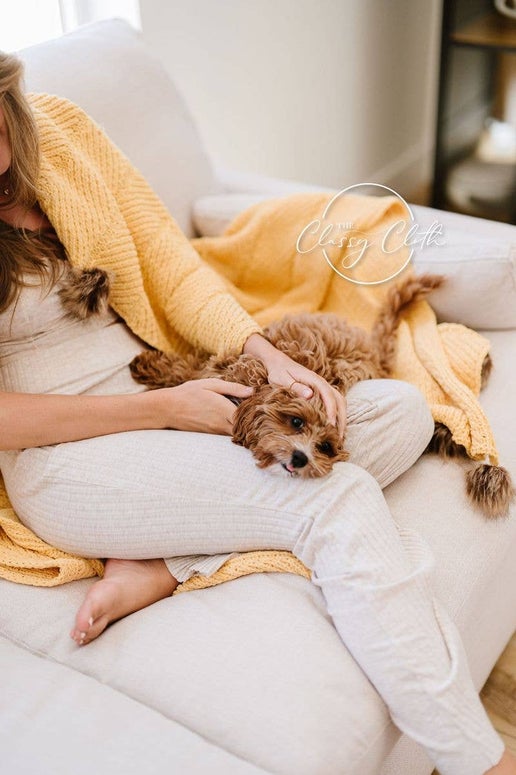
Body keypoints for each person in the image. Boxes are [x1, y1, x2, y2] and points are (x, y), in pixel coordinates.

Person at [0, 51, 514, 775]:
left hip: (167, 383)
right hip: (68, 450)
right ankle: (479, 761)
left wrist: (269, 355)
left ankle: (167, 556)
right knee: (336, 499)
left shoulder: (62, 131)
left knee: (396, 410)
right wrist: (167, 411)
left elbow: (171, 265)